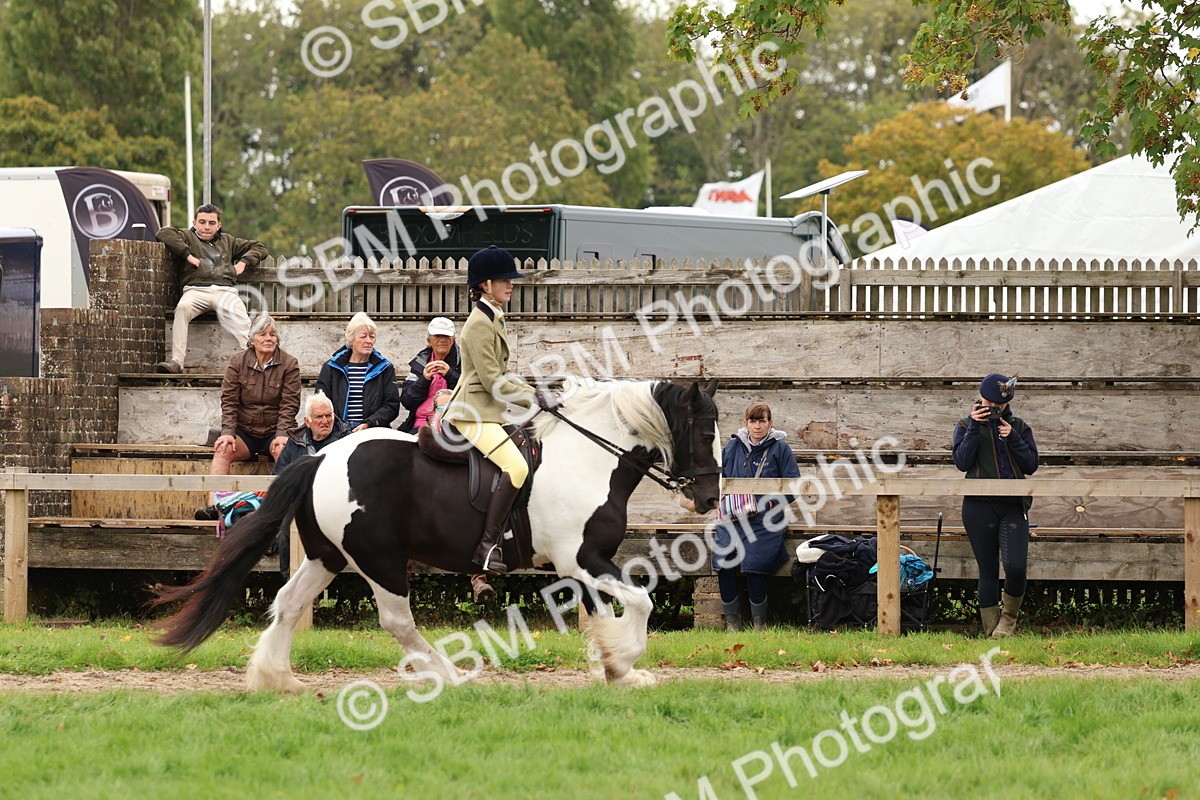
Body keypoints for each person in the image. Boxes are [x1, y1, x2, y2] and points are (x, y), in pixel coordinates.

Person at [443, 245, 558, 574]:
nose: (510, 285)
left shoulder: (494, 317)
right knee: (516, 467)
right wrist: (534, 400)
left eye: (510, 280)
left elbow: (504, 373)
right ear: (485, 284)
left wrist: (537, 392)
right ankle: (487, 544)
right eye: (504, 280)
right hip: (472, 412)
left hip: (490, 410)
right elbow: (493, 381)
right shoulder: (479, 324)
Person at [952, 372, 1039, 638]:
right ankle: (992, 629)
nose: (992, 409)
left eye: (998, 406)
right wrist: (974, 428)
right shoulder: (965, 425)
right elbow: (962, 462)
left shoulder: (1019, 426)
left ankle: (1008, 620)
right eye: (987, 403)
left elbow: (1031, 465)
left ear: (1006, 404)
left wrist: (1012, 437)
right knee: (988, 568)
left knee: (1015, 567)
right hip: (978, 506)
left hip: (1013, 505)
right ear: (980, 398)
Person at [713, 402, 800, 632]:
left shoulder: (781, 449)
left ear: (770, 423)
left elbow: (794, 486)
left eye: (762, 421)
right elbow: (717, 478)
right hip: (732, 517)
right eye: (753, 421)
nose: (757, 426)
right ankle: (732, 624)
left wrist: (774, 502)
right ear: (746, 423)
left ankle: (759, 625)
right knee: (723, 562)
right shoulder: (732, 447)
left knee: (754, 565)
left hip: (765, 520)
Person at [155, 203, 268, 374]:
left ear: (218, 225)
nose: (206, 227)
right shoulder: (187, 236)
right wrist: (188, 256)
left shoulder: (228, 241)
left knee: (243, 322)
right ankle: (177, 362)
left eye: (211, 223)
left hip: (225, 291)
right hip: (196, 290)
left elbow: (260, 247)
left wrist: (243, 263)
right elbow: (163, 233)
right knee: (182, 308)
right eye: (202, 222)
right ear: (194, 223)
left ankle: (256, 363)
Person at [211, 314, 301, 475]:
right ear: (252, 340)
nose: (268, 339)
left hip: (275, 431)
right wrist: (228, 433)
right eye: (262, 334)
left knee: (284, 452)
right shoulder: (237, 361)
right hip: (245, 432)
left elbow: (290, 404)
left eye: (272, 335)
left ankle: (287, 493)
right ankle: (215, 493)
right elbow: (229, 401)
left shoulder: (289, 363)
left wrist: (282, 434)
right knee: (222, 450)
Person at [315, 312, 400, 432]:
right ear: (351, 339)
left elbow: (391, 405)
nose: (368, 341)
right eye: (363, 336)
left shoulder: (385, 368)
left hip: (372, 429)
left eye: (372, 337)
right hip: (337, 430)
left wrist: (369, 423)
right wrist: (339, 427)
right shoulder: (331, 367)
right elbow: (320, 401)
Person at [398, 316, 461, 432]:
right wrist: (424, 379)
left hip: (453, 422)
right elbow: (407, 401)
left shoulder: (463, 361)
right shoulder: (420, 363)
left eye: (446, 336)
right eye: (437, 336)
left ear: (453, 340)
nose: (442, 340)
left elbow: (468, 398)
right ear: (429, 340)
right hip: (421, 423)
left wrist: (450, 375)